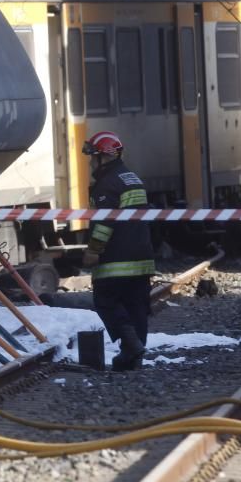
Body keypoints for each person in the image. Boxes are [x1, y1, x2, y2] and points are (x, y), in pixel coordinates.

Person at [81, 131, 156, 371]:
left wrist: (93, 251)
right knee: (136, 307)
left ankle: (131, 345)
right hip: (142, 258)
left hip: (116, 260)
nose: (91, 162)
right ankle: (133, 358)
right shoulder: (132, 178)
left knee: (105, 301)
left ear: (104, 157)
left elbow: (104, 223)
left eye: (94, 157)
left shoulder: (107, 184)